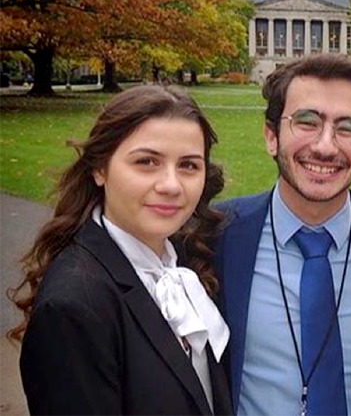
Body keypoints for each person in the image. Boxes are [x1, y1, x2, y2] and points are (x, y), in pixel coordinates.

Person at [8, 85, 232, 416]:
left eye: (188, 165)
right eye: (146, 162)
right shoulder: (73, 305)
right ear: (100, 168)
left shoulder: (183, 260)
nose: (171, 185)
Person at [215, 54, 351, 416]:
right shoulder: (214, 236)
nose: (325, 146)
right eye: (307, 122)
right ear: (271, 136)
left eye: (349, 129)